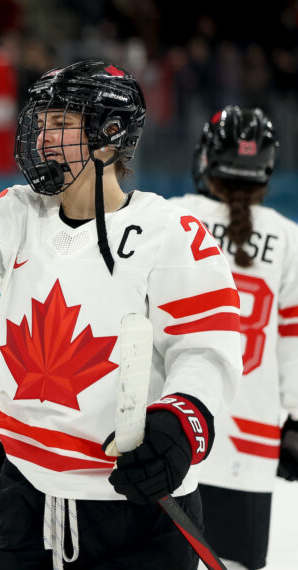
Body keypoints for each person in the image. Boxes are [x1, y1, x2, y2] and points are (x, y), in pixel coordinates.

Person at [0, 62, 242, 569]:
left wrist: (181, 423)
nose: (43, 137)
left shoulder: (171, 232)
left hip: (139, 516)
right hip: (24, 503)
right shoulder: (19, 212)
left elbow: (205, 348)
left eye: (60, 123)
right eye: (41, 123)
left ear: (109, 135)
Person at [171, 106, 298, 570]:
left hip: (173, 434)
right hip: (253, 443)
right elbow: (293, 341)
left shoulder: (173, 218)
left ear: (208, 158)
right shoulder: (289, 240)